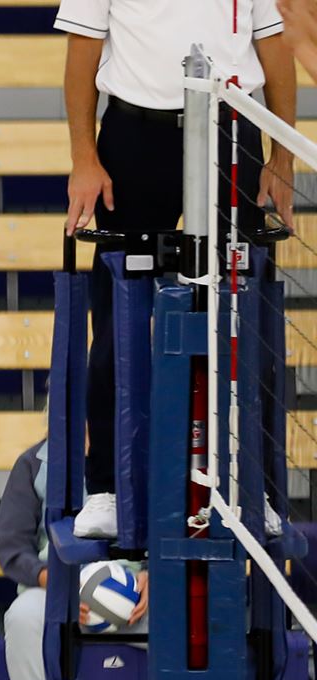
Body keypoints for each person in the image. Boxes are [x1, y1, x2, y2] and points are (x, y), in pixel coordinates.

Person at [59, 0, 296, 539]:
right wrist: (83, 158)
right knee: (116, 322)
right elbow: (81, 54)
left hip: (232, 132)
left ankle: (250, 491)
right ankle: (107, 490)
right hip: (136, 136)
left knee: (245, 320)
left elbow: (275, 51)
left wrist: (282, 159)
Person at [0, 438, 147, 680]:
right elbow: (12, 547)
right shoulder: (32, 463)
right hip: (58, 591)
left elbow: (168, 527)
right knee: (22, 617)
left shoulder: (138, 453)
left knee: (186, 620)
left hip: (132, 595)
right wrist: (52, 581)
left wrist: (154, 574)